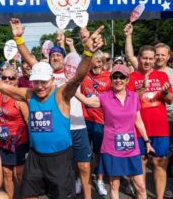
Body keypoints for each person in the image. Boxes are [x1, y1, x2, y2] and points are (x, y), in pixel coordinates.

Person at [0, 19, 104, 198]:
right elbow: (0, 85)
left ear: (51, 80)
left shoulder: (61, 94)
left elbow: (78, 77)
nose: (40, 86)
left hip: (59, 159)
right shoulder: (29, 94)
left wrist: (89, 52)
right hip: (35, 158)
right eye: (36, 81)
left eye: (44, 81)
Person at [81, 64, 154, 199]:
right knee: (114, 185)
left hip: (131, 147)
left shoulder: (133, 96)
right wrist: (73, 85)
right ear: (111, 79)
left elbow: (138, 120)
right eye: (115, 76)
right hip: (112, 148)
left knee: (141, 185)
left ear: (127, 80)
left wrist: (147, 141)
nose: (118, 80)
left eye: (122, 77)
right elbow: (86, 101)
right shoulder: (104, 97)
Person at [126, 45, 173, 199]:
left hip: (160, 128)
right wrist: (142, 88)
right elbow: (128, 102)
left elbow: (170, 100)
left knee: (160, 164)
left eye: (150, 58)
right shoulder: (131, 77)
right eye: (144, 58)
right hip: (138, 129)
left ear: (154, 60)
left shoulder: (162, 76)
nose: (147, 61)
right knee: (141, 165)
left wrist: (166, 93)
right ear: (139, 58)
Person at [0, 68, 29, 199]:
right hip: (2, 142)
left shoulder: (20, 99)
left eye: (11, 78)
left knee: (19, 174)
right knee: (6, 173)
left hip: (19, 143)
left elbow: (28, 121)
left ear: (17, 79)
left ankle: (26, 196)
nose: (7, 80)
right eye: (4, 78)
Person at [80, 50, 111, 196]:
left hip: (101, 121)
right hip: (85, 119)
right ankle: (81, 179)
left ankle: (99, 179)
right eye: (94, 60)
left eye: (99, 60)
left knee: (99, 153)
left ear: (103, 62)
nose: (97, 63)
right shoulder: (84, 76)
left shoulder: (109, 77)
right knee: (83, 152)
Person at [63, 52, 93, 199]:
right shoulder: (55, 81)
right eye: (67, 66)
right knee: (64, 167)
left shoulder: (83, 80)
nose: (69, 69)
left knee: (85, 166)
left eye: (73, 67)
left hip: (79, 128)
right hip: (62, 129)